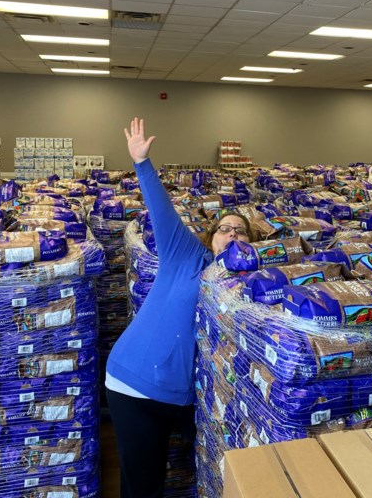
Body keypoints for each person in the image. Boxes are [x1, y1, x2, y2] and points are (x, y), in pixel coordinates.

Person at [105, 117, 258, 498]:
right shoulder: (188, 257)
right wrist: (141, 162)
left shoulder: (253, 289)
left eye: (241, 231)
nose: (233, 234)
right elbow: (164, 214)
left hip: (186, 395)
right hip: (135, 384)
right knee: (143, 484)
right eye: (226, 229)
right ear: (212, 238)